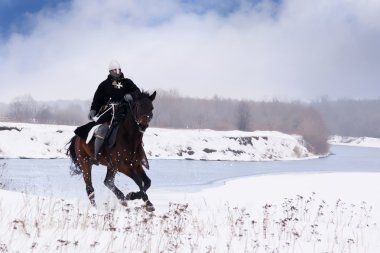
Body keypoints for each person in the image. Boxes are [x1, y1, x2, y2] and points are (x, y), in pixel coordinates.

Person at [88, 59, 141, 158]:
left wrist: (131, 95)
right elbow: (97, 99)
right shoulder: (104, 84)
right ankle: (97, 154)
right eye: (114, 70)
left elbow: (138, 92)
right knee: (102, 129)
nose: (117, 72)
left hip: (125, 111)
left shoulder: (127, 82)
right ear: (110, 71)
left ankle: (137, 153)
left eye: (118, 70)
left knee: (135, 128)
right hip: (109, 111)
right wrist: (93, 110)